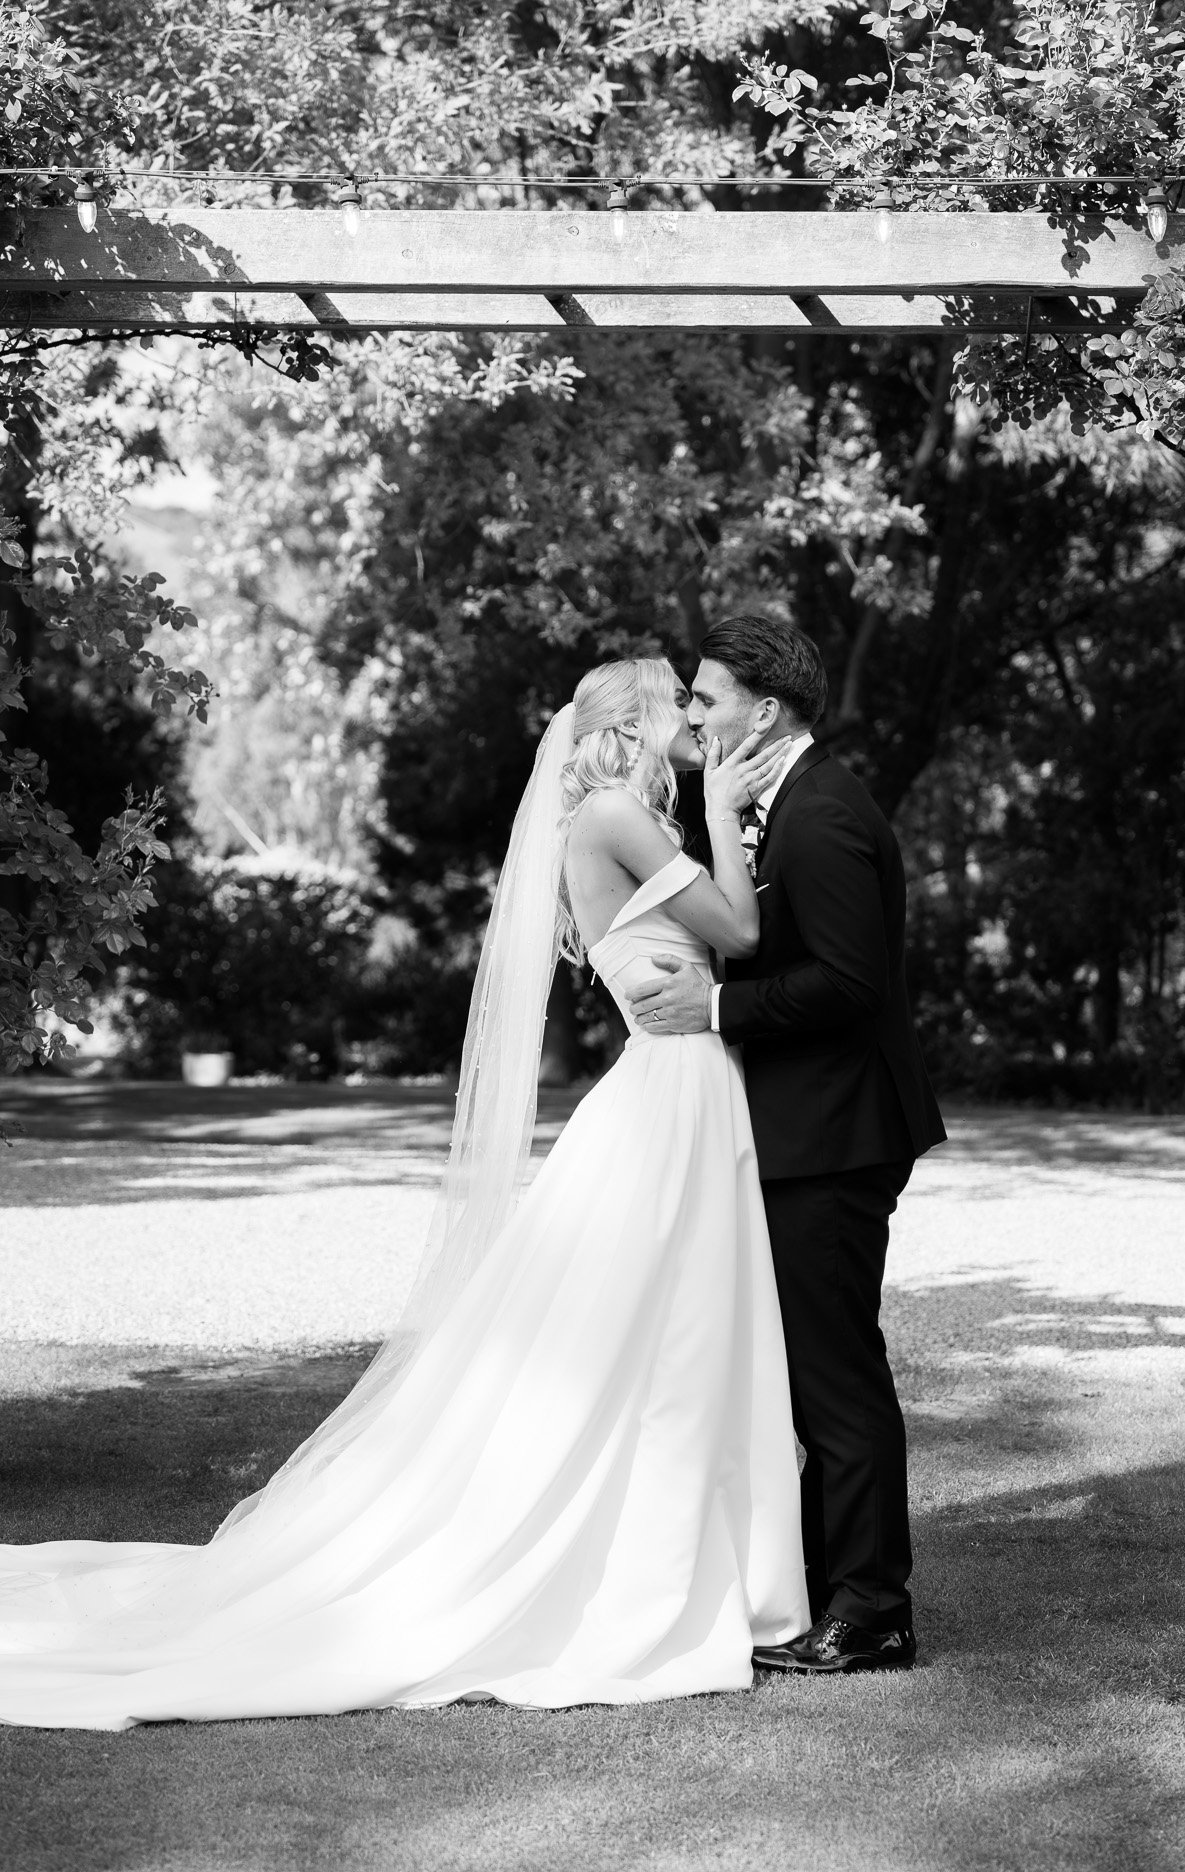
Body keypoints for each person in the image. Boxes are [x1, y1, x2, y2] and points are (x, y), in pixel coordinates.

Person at [0, 658, 810, 1730]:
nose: (694, 714)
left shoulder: (615, 815)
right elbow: (745, 937)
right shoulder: (617, 812)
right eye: (679, 698)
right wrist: (718, 806)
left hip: (684, 1092)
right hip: (670, 1096)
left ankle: (716, 1567)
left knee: (685, 1334)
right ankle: (659, 1574)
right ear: (633, 723)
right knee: (667, 1335)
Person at [630, 616, 946, 1674]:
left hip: (836, 1137)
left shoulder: (819, 815)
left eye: (706, 698)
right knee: (813, 1377)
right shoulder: (791, 803)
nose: (692, 714)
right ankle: (823, 1587)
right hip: (809, 1131)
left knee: (837, 1377)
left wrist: (715, 1007)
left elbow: (851, 986)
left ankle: (874, 1609)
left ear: (764, 710)